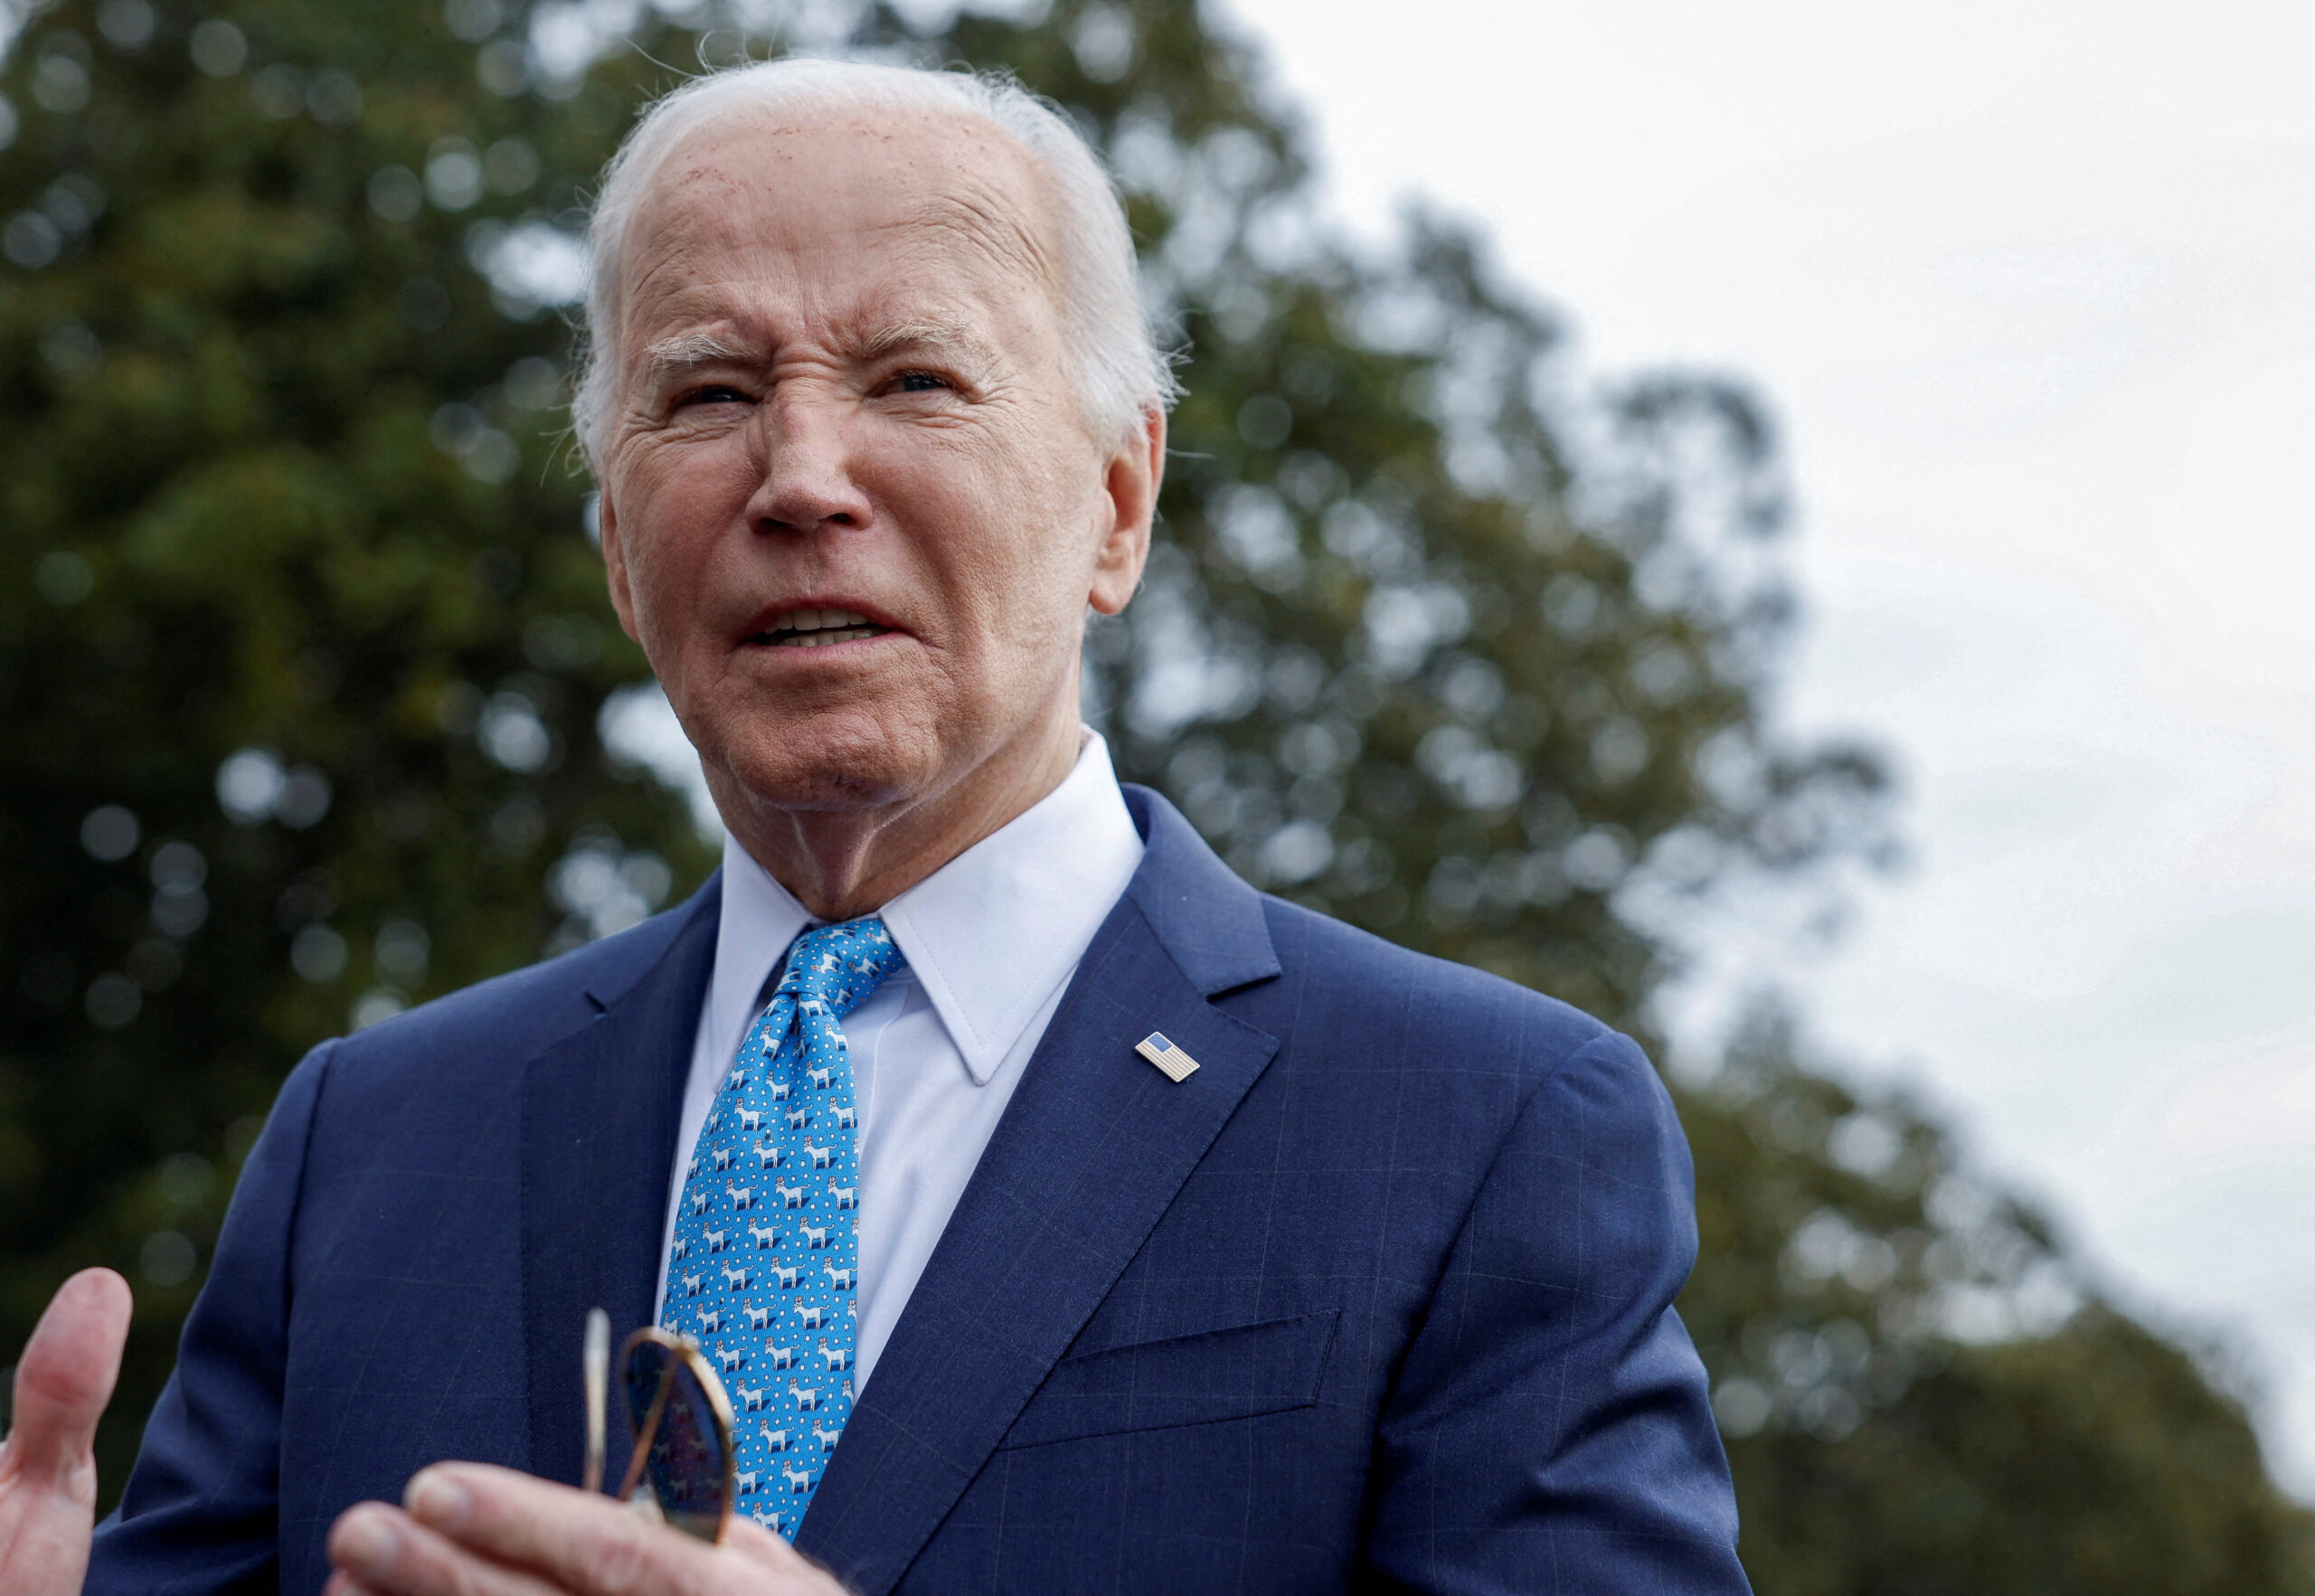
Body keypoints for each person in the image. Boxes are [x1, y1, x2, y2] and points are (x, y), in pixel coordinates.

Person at [0, 58, 1751, 1595]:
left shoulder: (1476, 1133)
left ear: (1117, 505)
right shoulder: (367, 1150)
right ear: (617, 545)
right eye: (705, 394)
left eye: (913, 379)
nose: (800, 475)